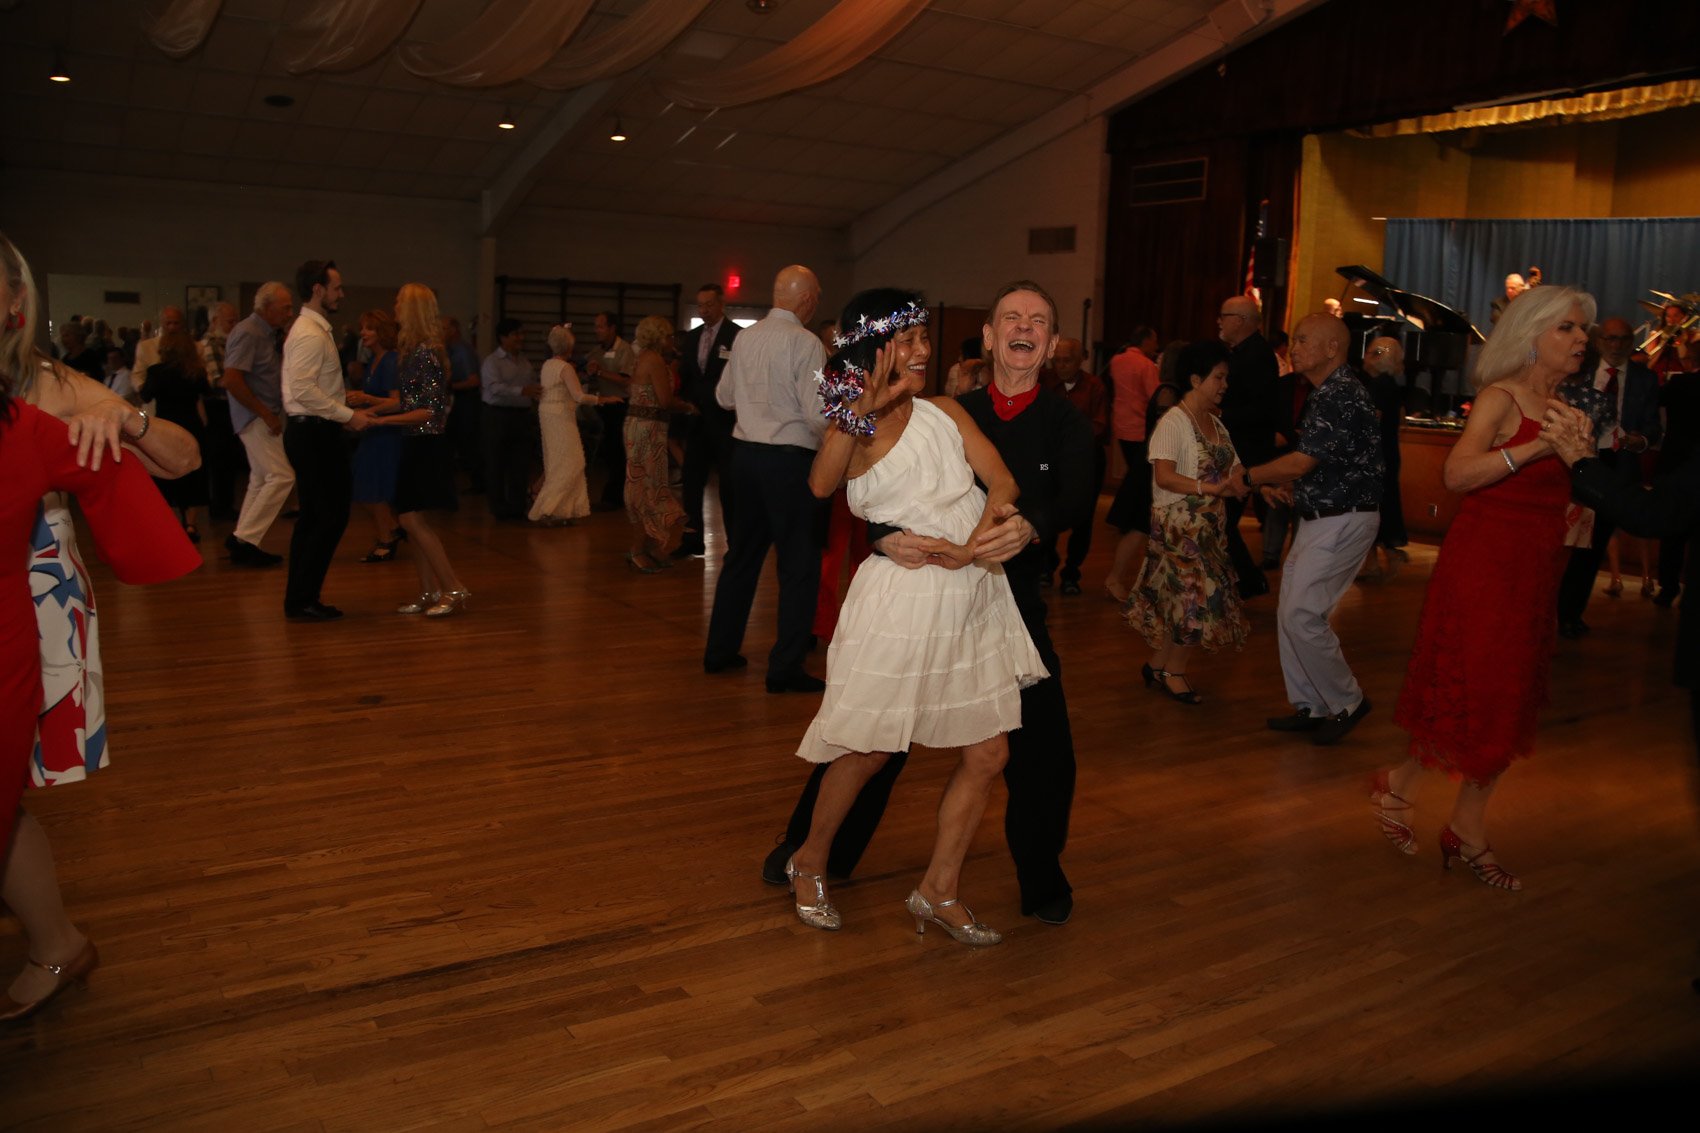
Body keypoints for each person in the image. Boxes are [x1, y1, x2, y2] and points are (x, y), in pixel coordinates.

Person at [762, 280, 1095, 927]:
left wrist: (980, 545)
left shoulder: (958, 411)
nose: (921, 350)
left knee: (999, 752)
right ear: (877, 348)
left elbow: (1013, 482)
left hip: (983, 595)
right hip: (907, 600)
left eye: (923, 338)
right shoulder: (867, 419)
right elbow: (826, 484)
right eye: (909, 340)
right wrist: (861, 412)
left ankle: (950, 888)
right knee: (870, 747)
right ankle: (810, 856)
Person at [1, 231, 201, 1021]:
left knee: (13, 791)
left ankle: (55, 941)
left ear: (17, 302)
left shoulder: (47, 383)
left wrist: (126, 419)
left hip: (34, 594)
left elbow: (184, 460)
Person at [1362, 287, 1597, 893]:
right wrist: (1539, 444)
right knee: (1474, 685)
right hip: (1484, 567)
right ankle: (1425, 801)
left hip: (1534, 570)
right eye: (1568, 328)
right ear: (1532, 334)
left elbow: (1577, 491)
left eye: (1583, 330)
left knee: (1508, 695)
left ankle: (1445, 810)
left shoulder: (1566, 408)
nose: (1581, 339)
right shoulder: (1501, 397)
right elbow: (1457, 473)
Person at [1241, 313, 1384, 746]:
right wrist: (1290, 485)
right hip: (1324, 516)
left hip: (1342, 519)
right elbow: (1327, 461)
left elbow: (1303, 461)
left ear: (1331, 349)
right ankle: (1312, 705)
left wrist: (1249, 477)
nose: (1294, 348)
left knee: (1301, 614)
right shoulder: (1329, 392)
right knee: (1292, 611)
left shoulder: (1340, 393)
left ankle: (1347, 701)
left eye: (1303, 340)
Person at [702, 265, 830, 692]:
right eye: (816, 297)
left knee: (741, 557)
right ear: (807, 299)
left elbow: (723, 398)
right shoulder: (806, 343)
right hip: (789, 464)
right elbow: (817, 414)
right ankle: (784, 668)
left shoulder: (745, 337)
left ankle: (720, 651)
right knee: (798, 565)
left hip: (743, 460)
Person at [1126, 341, 1249, 704]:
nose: (1224, 384)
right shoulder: (1173, 422)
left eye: (1225, 377)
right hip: (1180, 531)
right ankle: (1173, 671)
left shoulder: (1215, 423)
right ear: (1196, 379)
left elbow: (1235, 468)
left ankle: (1157, 665)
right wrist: (1208, 487)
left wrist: (1260, 484)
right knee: (1193, 604)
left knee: (1183, 603)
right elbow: (1164, 476)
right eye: (1218, 377)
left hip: (1208, 530)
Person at [1554, 316, 1660, 638]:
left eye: (1623, 339)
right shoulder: (1578, 370)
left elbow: (1654, 427)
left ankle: (1571, 613)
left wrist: (1640, 440)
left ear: (1631, 343)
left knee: (1594, 545)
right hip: (1571, 463)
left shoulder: (1645, 379)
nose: (1617, 346)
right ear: (1599, 342)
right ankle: (1548, 610)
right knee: (1561, 542)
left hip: (1616, 465)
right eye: (1611, 339)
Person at [281, 259, 375, 622]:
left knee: (318, 518)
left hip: (315, 430)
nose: (341, 294)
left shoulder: (311, 328)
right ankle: (302, 599)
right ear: (317, 289)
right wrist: (347, 415)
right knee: (327, 518)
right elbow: (303, 390)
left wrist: (339, 404)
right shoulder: (309, 332)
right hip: (313, 433)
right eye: (336, 288)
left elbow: (308, 388)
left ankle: (302, 598)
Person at [377, 283, 470, 617]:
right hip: (414, 441)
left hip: (426, 444)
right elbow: (408, 402)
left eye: (399, 302)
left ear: (413, 309)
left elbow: (429, 411)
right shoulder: (415, 351)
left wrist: (377, 422)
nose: (395, 307)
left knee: (411, 519)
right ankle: (429, 590)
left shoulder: (425, 354)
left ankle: (453, 587)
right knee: (409, 519)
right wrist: (371, 407)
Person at [221, 282, 294, 567]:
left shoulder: (266, 334)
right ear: (267, 307)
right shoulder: (248, 332)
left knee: (261, 478)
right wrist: (264, 413)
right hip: (255, 416)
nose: (289, 313)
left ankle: (243, 539)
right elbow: (231, 379)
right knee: (282, 476)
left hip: (261, 415)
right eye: (285, 307)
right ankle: (245, 538)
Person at [1216, 295, 1279, 598]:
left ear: (1240, 321)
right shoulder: (1245, 352)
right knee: (1222, 521)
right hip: (1240, 451)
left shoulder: (1256, 356)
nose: (1219, 321)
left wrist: (1219, 413)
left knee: (1222, 521)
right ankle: (1245, 580)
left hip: (1247, 453)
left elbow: (1261, 411)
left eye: (1223, 315)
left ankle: (1250, 580)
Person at [676, 285, 741, 556]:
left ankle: (735, 545)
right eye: (700, 305)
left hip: (725, 420)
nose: (704, 310)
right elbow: (686, 376)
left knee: (729, 486)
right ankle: (692, 541)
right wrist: (687, 403)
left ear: (721, 304)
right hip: (697, 420)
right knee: (691, 481)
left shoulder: (736, 335)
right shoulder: (692, 337)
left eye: (709, 305)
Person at [1039, 337, 1107, 595]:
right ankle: (1046, 566)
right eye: (1056, 361)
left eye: (1066, 361)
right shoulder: (1044, 381)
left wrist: (1070, 437)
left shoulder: (1094, 386)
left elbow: (1100, 426)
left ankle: (1071, 573)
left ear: (1080, 360)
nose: (1061, 366)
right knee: (1047, 509)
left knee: (1083, 517)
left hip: (1085, 460)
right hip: (1050, 461)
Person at [529, 323, 613, 527]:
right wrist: (603, 399)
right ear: (569, 346)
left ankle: (562, 510)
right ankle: (548, 508)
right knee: (572, 463)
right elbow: (579, 396)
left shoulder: (547, 365)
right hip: (561, 418)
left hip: (548, 415)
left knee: (557, 463)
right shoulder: (565, 368)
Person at [623, 315, 687, 571]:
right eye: (668, 336)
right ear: (659, 337)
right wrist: (689, 407)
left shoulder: (643, 357)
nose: (671, 340)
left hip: (642, 427)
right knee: (648, 488)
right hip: (648, 430)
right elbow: (665, 400)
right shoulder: (655, 359)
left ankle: (650, 547)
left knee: (647, 486)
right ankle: (639, 549)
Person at [1103, 327, 1163, 601]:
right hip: (1141, 429)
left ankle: (1123, 516)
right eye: (1154, 339)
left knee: (1136, 485)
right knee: (1141, 492)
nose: (1156, 344)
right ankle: (1124, 516)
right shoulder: (1145, 365)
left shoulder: (1117, 360)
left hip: (1122, 426)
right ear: (1146, 340)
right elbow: (1155, 399)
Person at [138, 327, 212, 541]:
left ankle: (171, 522)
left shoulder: (156, 372)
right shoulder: (196, 372)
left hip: (166, 427)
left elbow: (145, 395)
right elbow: (206, 393)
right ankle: (191, 524)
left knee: (167, 472)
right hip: (192, 426)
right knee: (194, 474)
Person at [346, 309, 405, 563]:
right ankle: (392, 529)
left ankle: (387, 536)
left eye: (369, 328)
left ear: (382, 332)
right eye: (363, 328)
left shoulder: (390, 360)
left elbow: (397, 402)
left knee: (374, 487)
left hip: (386, 433)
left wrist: (367, 402)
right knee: (367, 485)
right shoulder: (374, 360)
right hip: (374, 432)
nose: (363, 333)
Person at [1358, 336, 1409, 581]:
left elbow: (1371, 421)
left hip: (1376, 457)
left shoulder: (1379, 385)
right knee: (1377, 506)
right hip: (1386, 453)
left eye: (1370, 352)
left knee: (1372, 507)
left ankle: (1382, 557)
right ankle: (1377, 561)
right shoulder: (1389, 384)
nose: (1365, 357)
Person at [479, 318, 541, 521]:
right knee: (496, 462)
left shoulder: (524, 361)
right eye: (516, 334)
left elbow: (532, 386)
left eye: (522, 334)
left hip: (521, 417)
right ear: (503, 337)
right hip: (497, 415)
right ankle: (499, 508)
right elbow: (493, 388)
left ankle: (516, 507)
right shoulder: (492, 361)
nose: (520, 338)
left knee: (520, 463)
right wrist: (522, 391)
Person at [585, 311, 637, 511]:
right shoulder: (596, 351)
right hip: (602, 405)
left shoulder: (624, 350)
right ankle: (611, 493)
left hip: (620, 405)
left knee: (618, 451)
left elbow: (626, 380)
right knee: (607, 452)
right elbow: (585, 368)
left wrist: (600, 372)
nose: (596, 330)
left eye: (600, 326)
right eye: (595, 326)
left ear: (612, 328)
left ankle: (616, 496)